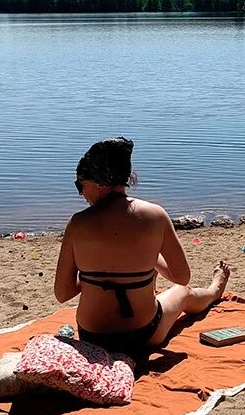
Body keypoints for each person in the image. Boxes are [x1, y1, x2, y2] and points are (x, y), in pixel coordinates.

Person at [53, 137, 230, 360]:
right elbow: (181, 277)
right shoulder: (155, 215)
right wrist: (147, 258)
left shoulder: (78, 223)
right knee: (182, 292)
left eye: (80, 185)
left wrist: (95, 273)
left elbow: (62, 293)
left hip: (92, 336)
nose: (80, 193)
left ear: (97, 182)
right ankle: (214, 290)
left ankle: (212, 290)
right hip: (143, 334)